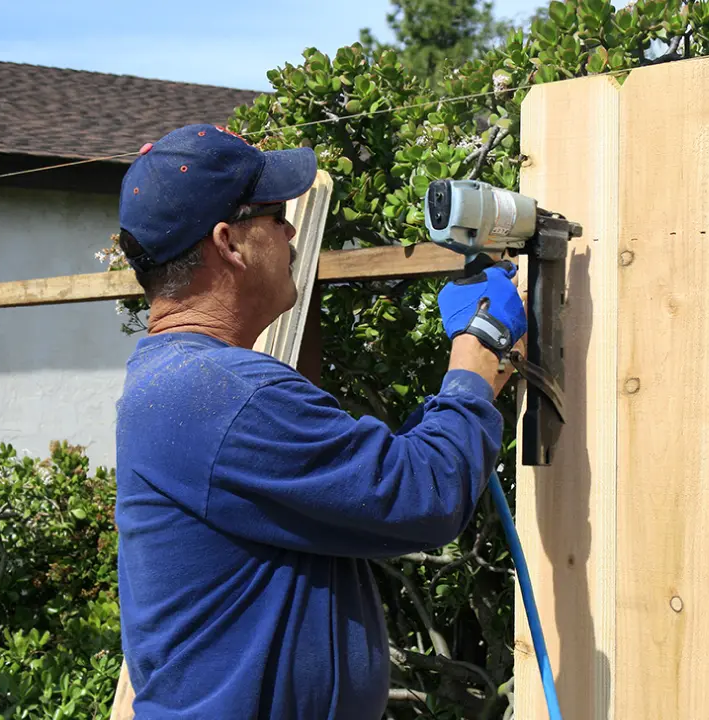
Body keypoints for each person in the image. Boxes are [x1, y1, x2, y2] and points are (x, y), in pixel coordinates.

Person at [114, 123, 527, 720]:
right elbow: (421, 493)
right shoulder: (222, 395)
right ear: (229, 243)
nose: (289, 230)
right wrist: (476, 358)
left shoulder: (179, 382)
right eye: (275, 214)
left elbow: (363, 482)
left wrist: (462, 392)